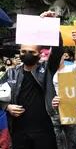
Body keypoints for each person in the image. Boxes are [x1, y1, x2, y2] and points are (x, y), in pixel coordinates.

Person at [0, 10, 63, 149]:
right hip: (18, 132)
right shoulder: (11, 73)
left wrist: (51, 26)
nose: (26, 54)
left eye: (31, 52)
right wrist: (7, 107)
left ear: (39, 55)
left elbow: (58, 51)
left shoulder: (47, 69)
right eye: (23, 52)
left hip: (45, 131)